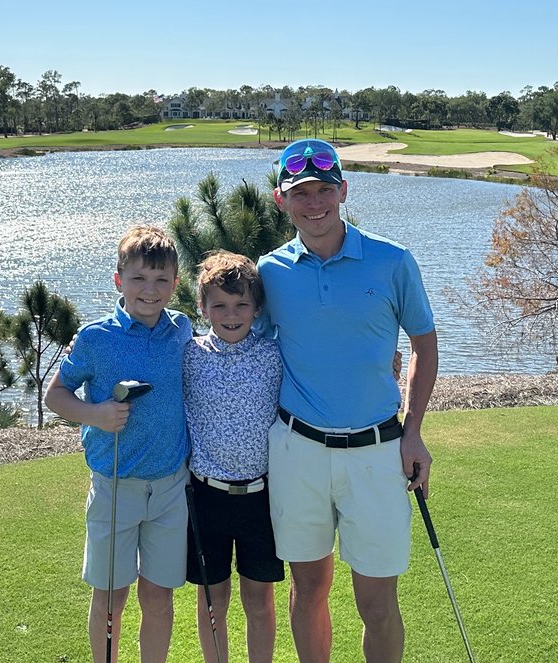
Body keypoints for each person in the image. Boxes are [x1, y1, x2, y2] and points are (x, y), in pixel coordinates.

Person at [257, 138, 438, 663]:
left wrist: (415, 432)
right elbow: (241, 341)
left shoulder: (392, 261)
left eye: (324, 190)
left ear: (343, 191)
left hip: (378, 452)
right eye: (301, 193)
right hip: (298, 451)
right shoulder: (270, 272)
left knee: (377, 601)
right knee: (308, 588)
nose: (314, 204)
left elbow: (424, 345)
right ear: (281, 200)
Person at [45, 225, 193, 663]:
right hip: (115, 487)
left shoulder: (182, 330)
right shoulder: (95, 338)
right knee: (111, 599)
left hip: (170, 488)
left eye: (161, 280)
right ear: (118, 279)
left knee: (159, 597)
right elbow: (55, 395)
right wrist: (94, 414)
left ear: (175, 283)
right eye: (139, 279)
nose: (150, 290)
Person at [182, 250, 284, 663]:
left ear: (257, 308)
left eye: (242, 304)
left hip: (263, 497)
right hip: (206, 498)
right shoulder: (188, 355)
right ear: (202, 308)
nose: (231, 314)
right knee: (212, 601)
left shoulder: (274, 356)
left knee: (259, 600)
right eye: (219, 305)